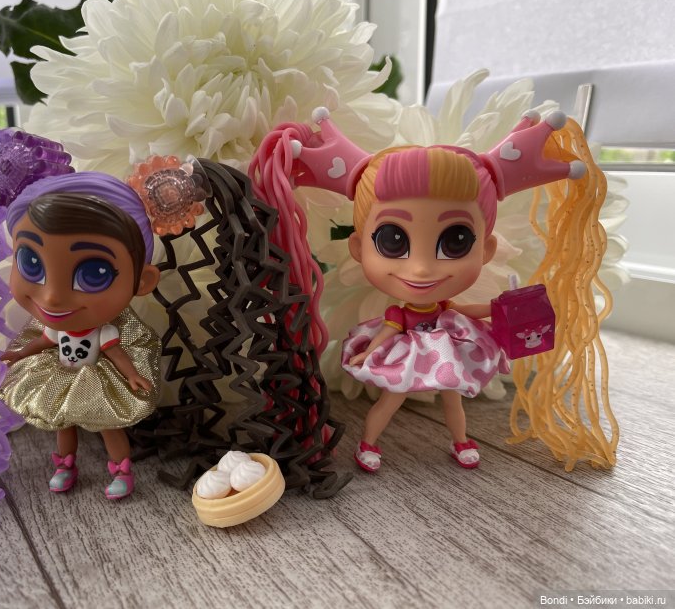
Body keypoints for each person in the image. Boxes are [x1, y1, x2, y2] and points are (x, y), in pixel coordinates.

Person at [251, 106, 604, 472]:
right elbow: (387, 333)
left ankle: (461, 440)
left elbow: (462, 312)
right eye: (392, 240)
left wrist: (502, 306)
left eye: (456, 241)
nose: (421, 268)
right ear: (358, 248)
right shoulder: (399, 314)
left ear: (486, 250)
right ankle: (369, 443)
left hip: (447, 354)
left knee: (453, 401)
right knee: (390, 401)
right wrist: (367, 352)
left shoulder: (444, 306)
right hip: (410, 357)